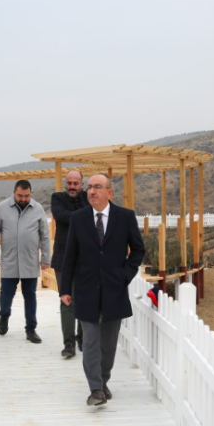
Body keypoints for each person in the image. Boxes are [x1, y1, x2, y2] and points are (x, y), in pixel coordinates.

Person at [59, 173, 145, 406]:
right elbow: (70, 256)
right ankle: (95, 389)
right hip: (85, 290)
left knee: (108, 344)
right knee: (89, 341)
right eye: (89, 187)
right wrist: (65, 289)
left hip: (114, 290)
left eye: (97, 187)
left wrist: (124, 275)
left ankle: (103, 381)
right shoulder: (78, 218)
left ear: (109, 192)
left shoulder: (125, 217)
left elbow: (138, 250)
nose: (92, 191)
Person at [0, 180, 51, 344]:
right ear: (14, 193)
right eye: (20, 196)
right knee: (6, 294)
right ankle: (4, 315)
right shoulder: (2, 208)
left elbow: (45, 235)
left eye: (26, 196)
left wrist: (45, 258)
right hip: (9, 261)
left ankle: (31, 330)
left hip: (30, 261)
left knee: (30, 295)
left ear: (30, 194)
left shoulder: (38, 209)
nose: (23, 199)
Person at [50, 170, 89, 358]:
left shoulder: (88, 198)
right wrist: (83, 216)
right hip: (62, 260)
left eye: (76, 183)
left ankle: (83, 340)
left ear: (82, 184)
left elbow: (86, 216)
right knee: (66, 301)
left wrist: (75, 216)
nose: (72, 186)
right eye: (69, 183)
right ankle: (68, 344)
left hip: (85, 260)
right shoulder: (57, 198)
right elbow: (60, 215)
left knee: (83, 300)